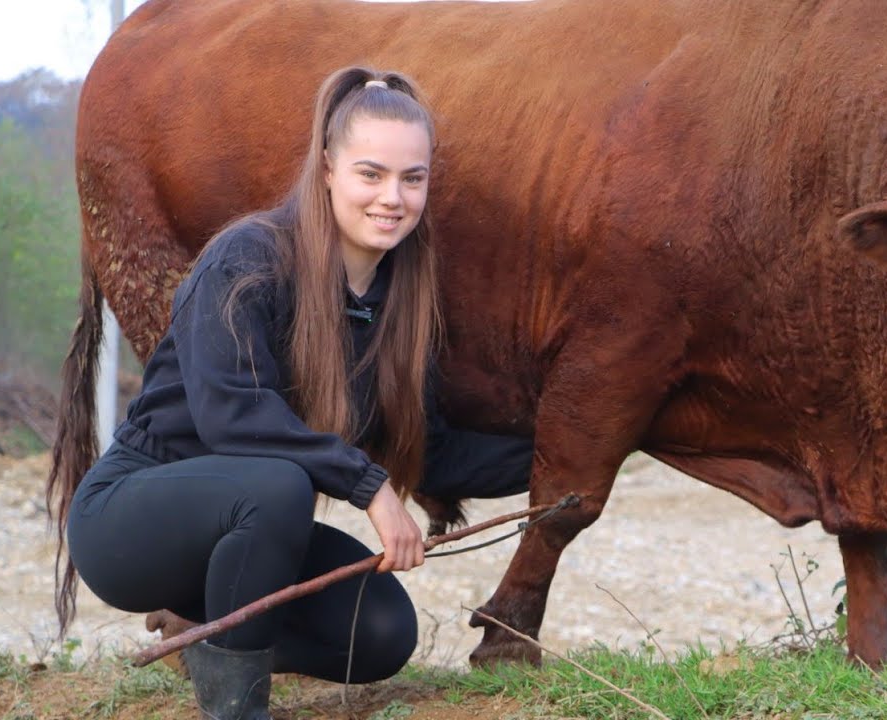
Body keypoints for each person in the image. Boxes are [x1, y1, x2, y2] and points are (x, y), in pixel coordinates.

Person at [46, 67, 533, 720]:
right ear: (328, 167)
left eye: (412, 178)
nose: (393, 197)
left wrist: (576, 455)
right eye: (372, 173)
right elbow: (234, 419)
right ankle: (237, 711)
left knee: (383, 631)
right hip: (130, 521)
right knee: (278, 486)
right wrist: (368, 486)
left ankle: (212, 631)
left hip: (246, 538)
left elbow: (435, 450)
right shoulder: (245, 264)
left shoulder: (398, 301)